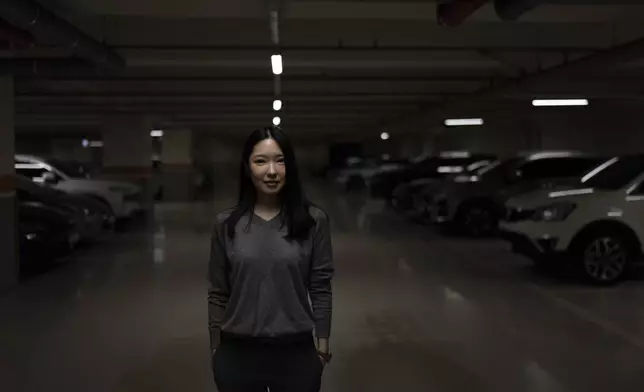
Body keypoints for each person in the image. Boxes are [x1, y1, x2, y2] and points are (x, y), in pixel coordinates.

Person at [208, 127, 334, 392]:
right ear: (247, 167)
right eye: (261, 161)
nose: (272, 171)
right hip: (237, 353)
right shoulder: (226, 224)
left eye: (280, 160)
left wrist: (322, 348)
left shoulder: (314, 221)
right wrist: (216, 350)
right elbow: (218, 292)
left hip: (296, 353)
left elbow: (320, 286)